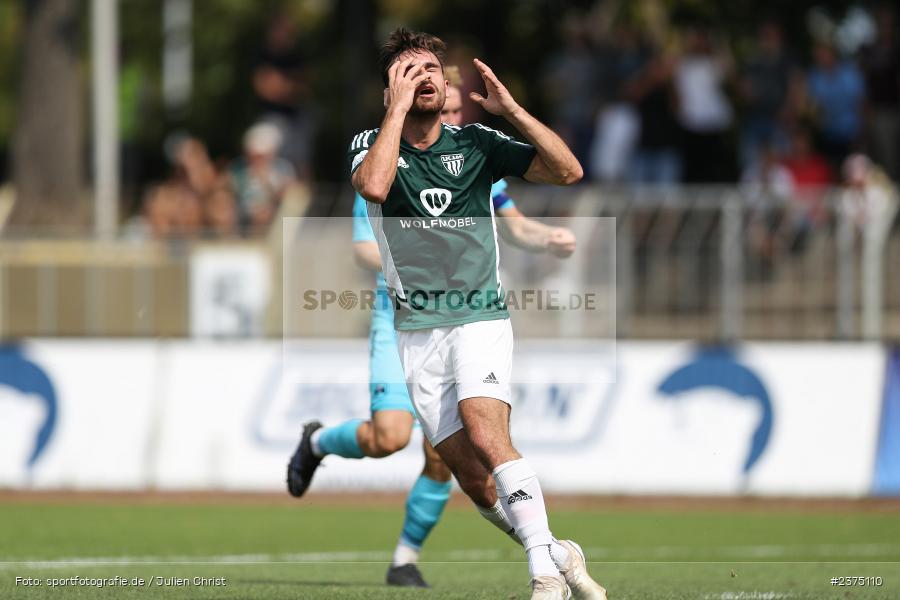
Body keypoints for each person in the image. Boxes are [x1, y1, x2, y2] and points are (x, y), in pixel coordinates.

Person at [294, 28, 605, 600]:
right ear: (391, 86)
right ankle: (558, 551)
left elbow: (568, 172)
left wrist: (511, 110)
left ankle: (543, 579)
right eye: (411, 70)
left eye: (433, 68)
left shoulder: (478, 142)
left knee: (486, 429)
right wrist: (395, 112)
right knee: (471, 477)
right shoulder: (369, 143)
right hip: (415, 330)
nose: (427, 78)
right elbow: (377, 186)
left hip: (479, 313)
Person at [228, 122, 296, 234]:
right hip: (243, 216)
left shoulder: (283, 169)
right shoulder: (238, 168)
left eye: (262, 155)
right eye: (254, 154)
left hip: (274, 215)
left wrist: (266, 183)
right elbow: (230, 192)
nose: (257, 159)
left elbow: (289, 197)